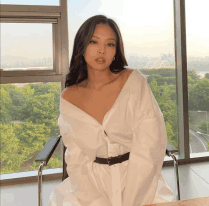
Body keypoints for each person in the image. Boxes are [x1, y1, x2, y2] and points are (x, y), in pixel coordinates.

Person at [49, 15, 174, 206]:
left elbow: (150, 145)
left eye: (110, 44)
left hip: (139, 180)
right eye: (94, 42)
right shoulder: (69, 97)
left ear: (116, 51)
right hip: (90, 185)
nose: (102, 50)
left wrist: (133, 200)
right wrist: (95, 201)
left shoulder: (133, 82)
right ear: (81, 47)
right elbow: (76, 158)